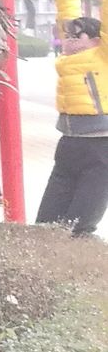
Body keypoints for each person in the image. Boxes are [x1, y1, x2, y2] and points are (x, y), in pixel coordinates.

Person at [34, 15, 108, 236]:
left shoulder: (103, 56)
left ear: (97, 40)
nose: (71, 40)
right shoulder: (66, 63)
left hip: (101, 145)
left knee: (79, 225)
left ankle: (77, 264)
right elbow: (66, 16)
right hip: (69, 142)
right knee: (45, 224)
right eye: (68, 36)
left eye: (79, 35)